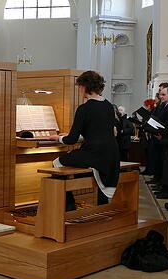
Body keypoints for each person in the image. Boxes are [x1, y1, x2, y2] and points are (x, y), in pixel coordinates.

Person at [48, 70, 120, 208]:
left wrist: (58, 138)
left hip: (95, 155)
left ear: (84, 86)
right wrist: (70, 137)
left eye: (80, 86)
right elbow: (98, 132)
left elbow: (71, 140)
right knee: (74, 161)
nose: (79, 89)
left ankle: (68, 207)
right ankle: (100, 206)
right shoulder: (108, 106)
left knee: (57, 163)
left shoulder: (84, 108)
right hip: (111, 154)